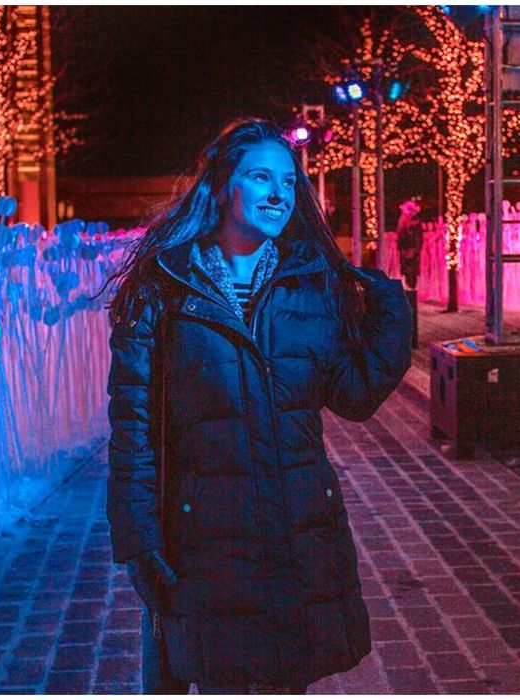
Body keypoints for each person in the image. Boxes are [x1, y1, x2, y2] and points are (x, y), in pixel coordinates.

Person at [105, 118, 413, 694]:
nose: (279, 194)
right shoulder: (164, 288)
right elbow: (133, 428)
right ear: (223, 187)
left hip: (298, 533)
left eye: (289, 182)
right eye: (260, 177)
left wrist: (392, 316)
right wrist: (139, 537)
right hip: (208, 545)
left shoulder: (307, 286)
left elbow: (353, 395)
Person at [395, 197, 424, 290]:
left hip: (410, 249)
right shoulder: (403, 222)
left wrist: (415, 248)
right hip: (407, 249)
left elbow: (417, 237)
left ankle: (411, 287)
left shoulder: (413, 223)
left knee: (411, 269)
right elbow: (401, 236)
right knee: (408, 269)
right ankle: (409, 286)